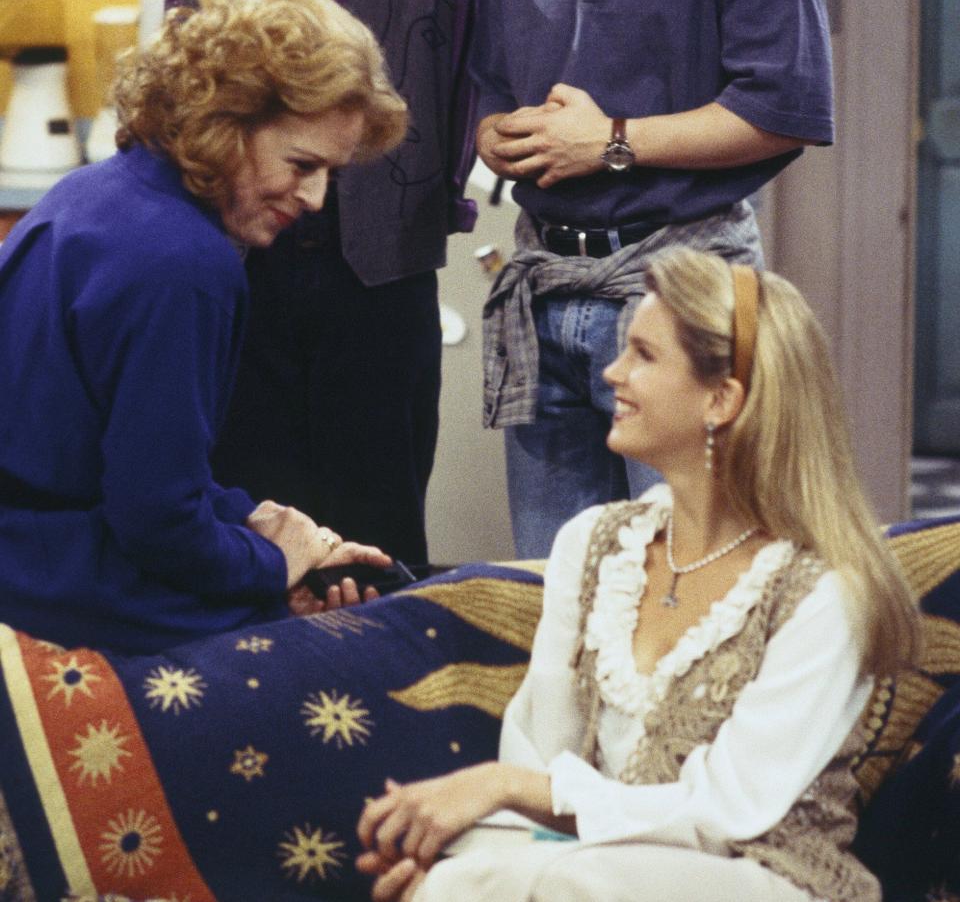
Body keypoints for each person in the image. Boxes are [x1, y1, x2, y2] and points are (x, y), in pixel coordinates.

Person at [356, 247, 920, 902]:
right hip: (598, 860)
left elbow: (724, 811)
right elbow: (538, 754)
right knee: (472, 860)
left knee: (556, 877)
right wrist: (464, 849)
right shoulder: (594, 544)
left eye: (644, 355)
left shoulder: (823, 590)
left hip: (762, 877)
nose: (612, 372)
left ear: (722, 397)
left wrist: (502, 795)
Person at [472, 0, 835, 559]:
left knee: (694, 586)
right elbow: (490, 93)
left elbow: (784, 108)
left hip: (679, 294)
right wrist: (496, 134)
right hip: (547, 295)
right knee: (562, 598)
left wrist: (614, 143)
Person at [165, 0, 481, 566]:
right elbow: (180, 115)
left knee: (380, 540)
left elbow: (460, 93)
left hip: (378, 286)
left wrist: (427, 216)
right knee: (249, 531)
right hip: (242, 280)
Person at [0, 0, 407, 655]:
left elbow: (112, 461)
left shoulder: (96, 191)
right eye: (302, 163)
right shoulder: (186, 264)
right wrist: (276, 565)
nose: (314, 197)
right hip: (50, 577)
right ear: (228, 124)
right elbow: (156, 521)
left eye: (331, 174)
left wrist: (258, 523)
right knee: (352, 658)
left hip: (33, 546)